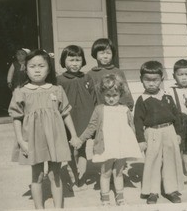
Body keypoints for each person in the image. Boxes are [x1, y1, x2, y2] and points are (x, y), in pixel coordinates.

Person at [8, 49, 80, 209]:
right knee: (38, 175)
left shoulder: (57, 90)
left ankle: (58, 207)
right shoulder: (21, 92)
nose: (37, 69)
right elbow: (16, 118)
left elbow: (66, 114)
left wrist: (74, 135)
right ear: (25, 69)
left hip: (55, 138)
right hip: (33, 140)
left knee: (55, 175)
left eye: (41, 65)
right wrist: (21, 141)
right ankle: (39, 208)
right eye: (32, 66)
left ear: (49, 69)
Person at [76, 74, 142, 206]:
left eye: (114, 95)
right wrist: (81, 139)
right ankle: (105, 197)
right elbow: (92, 126)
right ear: (102, 94)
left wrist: (137, 143)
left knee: (118, 172)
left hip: (121, 145)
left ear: (120, 94)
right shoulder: (99, 109)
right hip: (106, 146)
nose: (111, 99)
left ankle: (120, 196)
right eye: (108, 95)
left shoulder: (124, 109)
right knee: (105, 172)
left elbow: (131, 127)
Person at [134, 61, 184, 204]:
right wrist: (140, 140)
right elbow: (137, 121)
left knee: (170, 160)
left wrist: (179, 133)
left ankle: (171, 189)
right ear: (141, 80)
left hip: (169, 131)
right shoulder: (142, 100)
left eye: (155, 80)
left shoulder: (167, 97)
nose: (151, 84)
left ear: (161, 79)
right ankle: (152, 191)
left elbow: (177, 116)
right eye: (147, 80)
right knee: (153, 161)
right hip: (152, 133)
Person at [57, 45, 96, 191]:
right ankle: (74, 177)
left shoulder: (87, 78)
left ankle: (81, 178)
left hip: (85, 118)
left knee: (82, 149)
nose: (75, 63)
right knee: (69, 150)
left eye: (78, 60)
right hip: (67, 120)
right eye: (71, 60)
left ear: (83, 61)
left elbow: (94, 98)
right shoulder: (59, 80)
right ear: (63, 61)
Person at [87, 38, 134, 110]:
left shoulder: (118, 72)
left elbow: (125, 93)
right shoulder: (90, 74)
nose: (105, 56)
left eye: (108, 53)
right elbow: (89, 97)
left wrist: (127, 107)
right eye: (102, 53)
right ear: (95, 54)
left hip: (117, 110)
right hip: (100, 112)